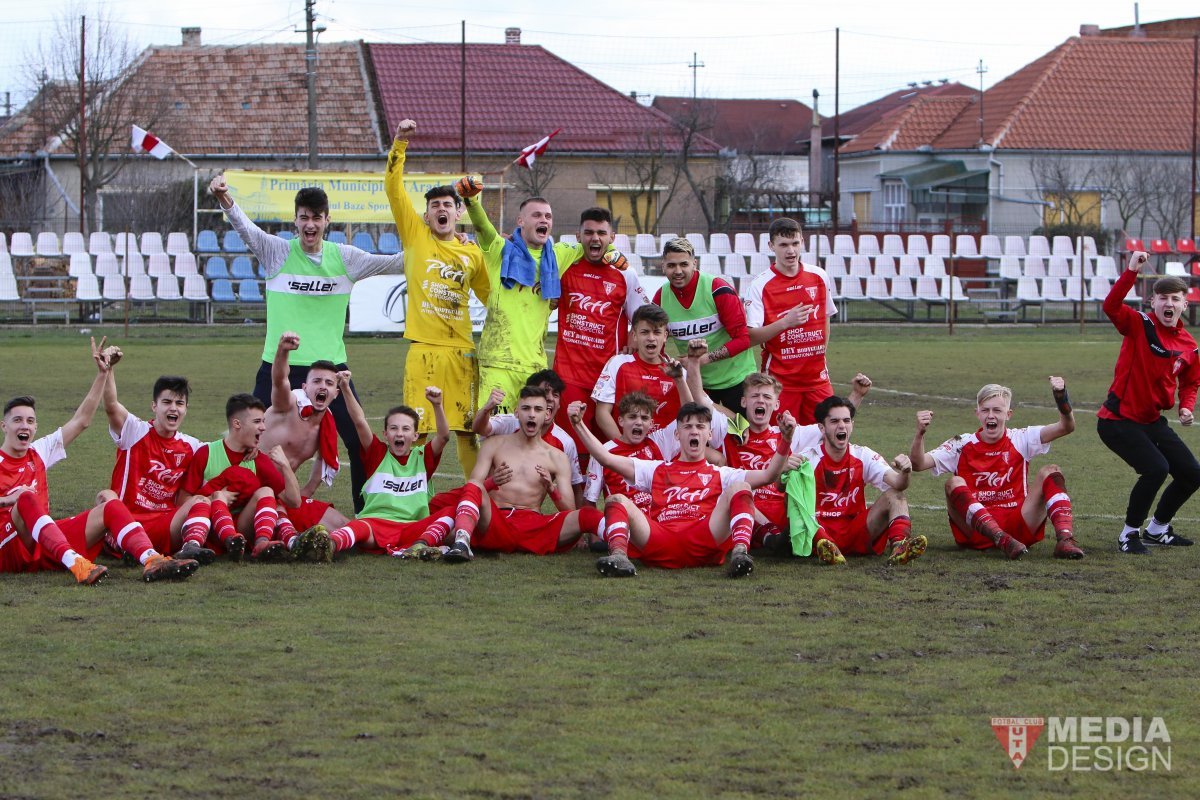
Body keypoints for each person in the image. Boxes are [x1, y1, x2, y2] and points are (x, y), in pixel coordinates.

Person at [208, 175, 406, 513]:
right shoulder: (277, 252)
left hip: (332, 371)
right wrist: (224, 198)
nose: (310, 224)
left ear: (327, 221)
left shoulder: (345, 258)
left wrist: (445, 243)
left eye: (317, 217)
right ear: (295, 220)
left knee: (361, 442)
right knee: (250, 438)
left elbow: (396, 262)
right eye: (304, 217)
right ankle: (234, 510)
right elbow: (245, 228)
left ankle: (365, 514)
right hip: (279, 366)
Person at [0, 339, 198, 584]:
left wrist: (103, 373)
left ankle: (152, 559)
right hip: (9, 549)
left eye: (30, 421)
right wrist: (6, 500)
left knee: (111, 507)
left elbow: (82, 420)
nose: (25, 426)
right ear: (4, 426)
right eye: (17, 420)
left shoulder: (38, 451)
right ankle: (78, 565)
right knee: (26, 498)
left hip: (48, 544)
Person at [570, 399, 796, 579]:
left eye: (700, 427)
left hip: (704, 539)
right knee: (616, 500)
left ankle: (740, 554)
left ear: (709, 435)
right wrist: (578, 423)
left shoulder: (720, 473)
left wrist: (785, 440)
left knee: (741, 487)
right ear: (677, 435)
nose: (694, 432)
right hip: (662, 541)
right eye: (687, 427)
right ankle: (619, 557)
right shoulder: (656, 469)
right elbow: (605, 458)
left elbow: (768, 475)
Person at [385, 119, 490, 478]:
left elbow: (492, 298)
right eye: (435, 206)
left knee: (465, 432)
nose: (441, 209)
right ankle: (411, 499)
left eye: (448, 204)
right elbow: (394, 189)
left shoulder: (472, 254)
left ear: (458, 212)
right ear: (426, 214)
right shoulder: (415, 236)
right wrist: (400, 143)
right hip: (422, 351)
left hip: (462, 350)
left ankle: (478, 501)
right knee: (418, 433)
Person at [909, 379, 1083, 560]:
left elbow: (1066, 426)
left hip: (1018, 528)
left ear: (1008, 414)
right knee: (953, 483)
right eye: (985, 410)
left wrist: (1061, 396)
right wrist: (919, 434)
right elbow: (919, 463)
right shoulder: (961, 444)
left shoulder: (1021, 438)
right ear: (977, 413)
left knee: (1051, 471)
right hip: (976, 531)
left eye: (997, 410)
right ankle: (1000, 538)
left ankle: (1065, 540)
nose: (990, 415)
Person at [1097, 250, 1200, 554]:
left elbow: (1191, 382)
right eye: (1163, 298)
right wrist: (1131, 270)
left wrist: (1185, 406)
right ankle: (1129, 534)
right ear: (1152, 302)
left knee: (1192, 474)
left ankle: (1157, 529)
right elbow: (1110, 305)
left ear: (1185, 303)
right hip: (1117, 420)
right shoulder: (1137, 323)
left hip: (1152, 421)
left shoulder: (1189, 345)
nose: (1169, 304)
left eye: (1175, 299)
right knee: (1156, 468)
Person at [441, 386, 603, 562]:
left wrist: (551, 488)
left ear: (547, 415)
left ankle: (621, 548)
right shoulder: (494, 444)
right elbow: (473, 489)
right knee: (449, 513)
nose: (531, 414)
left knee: (587, 515)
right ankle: (460, 544)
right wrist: (492, 482)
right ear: (517, 412)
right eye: (526, 409)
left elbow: (569, 510)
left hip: (534, 525)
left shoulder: (558, 457)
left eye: (538, 409)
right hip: (495, 521)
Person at [723, 371, 871, 549]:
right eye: (755, 395)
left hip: (783, 514)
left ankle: (785, 538)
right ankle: (774, 539)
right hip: (746, 510)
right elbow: (703, 402)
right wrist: (734, 419)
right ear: (743, 402)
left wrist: (857, 395)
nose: (761, 400)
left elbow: (832, 426)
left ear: (776, 404)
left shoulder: (791, 432)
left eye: (767, 396)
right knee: (734, 492)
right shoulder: (727, 432)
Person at [311, 386, 454, 560]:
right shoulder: (377, 453)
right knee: (360, 527)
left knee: (451, 512)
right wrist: (346, 387)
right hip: (376, 524)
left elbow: (444, 436)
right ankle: (330, 544)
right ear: (386, 434)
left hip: (414, 528)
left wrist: (437, 405)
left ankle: (421, 545)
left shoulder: (423, 457)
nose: (399, 433)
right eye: (393, 428)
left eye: (405, 429)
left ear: (415, 435)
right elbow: (359, 421)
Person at [101, 348, 215, 565]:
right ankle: (123, 543)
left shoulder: (191, 446)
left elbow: (226, 449)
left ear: (186, 409)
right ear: (154, 406)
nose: (174, 408)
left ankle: (191, 547)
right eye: (167, 402)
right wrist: (109, 369)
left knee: (200, 501)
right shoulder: (136, 431)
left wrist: (250, 445)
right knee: (106, 497)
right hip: (127, 520)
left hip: (163, 523)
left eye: (179, 403)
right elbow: (111, 406)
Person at [551, 206, 647, 450]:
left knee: (610, 448)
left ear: (612, 238)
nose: (595, 238)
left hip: (607, 377)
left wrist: (632, 337)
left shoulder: (625, 273)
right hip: (569, 375)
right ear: (578, 236)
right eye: (589, 232)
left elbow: (643, 316)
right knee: (571, 449)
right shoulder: (564, 268)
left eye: (602, 233)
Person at [798, 396, 925, 566]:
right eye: (834, 421)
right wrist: (783, 469)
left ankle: (899, 547)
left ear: (852, 425)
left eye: (846, 420)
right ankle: (826, 547)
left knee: (896, 495)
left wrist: (905, 472)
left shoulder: (863, 455)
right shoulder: (807, 459)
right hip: (819, 533)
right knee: (794, 504)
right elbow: (783, 492)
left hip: (855, 531)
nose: (842, 425)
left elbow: (898, 483)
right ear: (822, 427)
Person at [178, 394, 303, 561]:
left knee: (266, 491)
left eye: (263, 421)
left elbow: (294, 501)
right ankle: (218, 541)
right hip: (210, 529)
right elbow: (182, 501)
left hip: (243, 530)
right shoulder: (206, 453)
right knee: (219, 496)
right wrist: (215, 498)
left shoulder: (259, 459)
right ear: (237, 423)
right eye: (257, 421)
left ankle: (262, 544)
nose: (263, 427)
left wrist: (285, 466)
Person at [259, 331, 352, 539]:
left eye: (329, 383)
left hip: (285, 496)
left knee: (345, 526)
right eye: (317, 381)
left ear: (335, 393)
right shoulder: (289, 404)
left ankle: (287, 524)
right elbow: (279, 379)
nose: (322, 386)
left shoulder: (326, 424)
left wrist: (301, 497)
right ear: (305, 387)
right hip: (253, 490)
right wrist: (283, 350)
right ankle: (284, 533)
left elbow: (322, 463)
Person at [745, 217, 837, 423]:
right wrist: (786, 322)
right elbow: (750, 337)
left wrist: (819, 354)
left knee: (826, 437)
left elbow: (825, 319)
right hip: (780, 383)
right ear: (771, 246)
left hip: (817, 380)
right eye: (783, 245)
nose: (791, 251)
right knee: (782, 441)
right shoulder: (760, 285)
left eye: (795, 243)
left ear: (802, 242)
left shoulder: (819, 276)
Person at [653, 237, 755, 413]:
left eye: (684, 264)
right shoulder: (661, 298)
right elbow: (654, 342)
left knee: (744, 435)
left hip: (738, 380)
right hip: (698, 383)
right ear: (663, 266)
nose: (678, 271)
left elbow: (743, 339)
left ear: (694, 263)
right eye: (671, 265)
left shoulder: (718, 289)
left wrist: (700, 360)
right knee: (702, 439)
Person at [472, 370, 586, 508]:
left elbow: (575, 491)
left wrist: (552, 489)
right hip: (492, 513)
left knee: (589, 517)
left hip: (530, 515)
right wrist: (486, 408)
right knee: (456, 501)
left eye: (555, 395)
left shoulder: (565, 443)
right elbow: (479, 428)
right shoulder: (508, 423)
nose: (550, 398)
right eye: (545, 392)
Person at [592, 304, 689, 438]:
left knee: (717, 459)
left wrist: (682, 377)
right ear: (635, 335)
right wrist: (624, 447)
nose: (651, 338)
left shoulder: (677, 371)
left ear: (665, 336)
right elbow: (602, 413)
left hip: (666, 451)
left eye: (657, 332)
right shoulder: (617, 363)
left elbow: (690, 415)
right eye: (645, 332)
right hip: (627, 450)